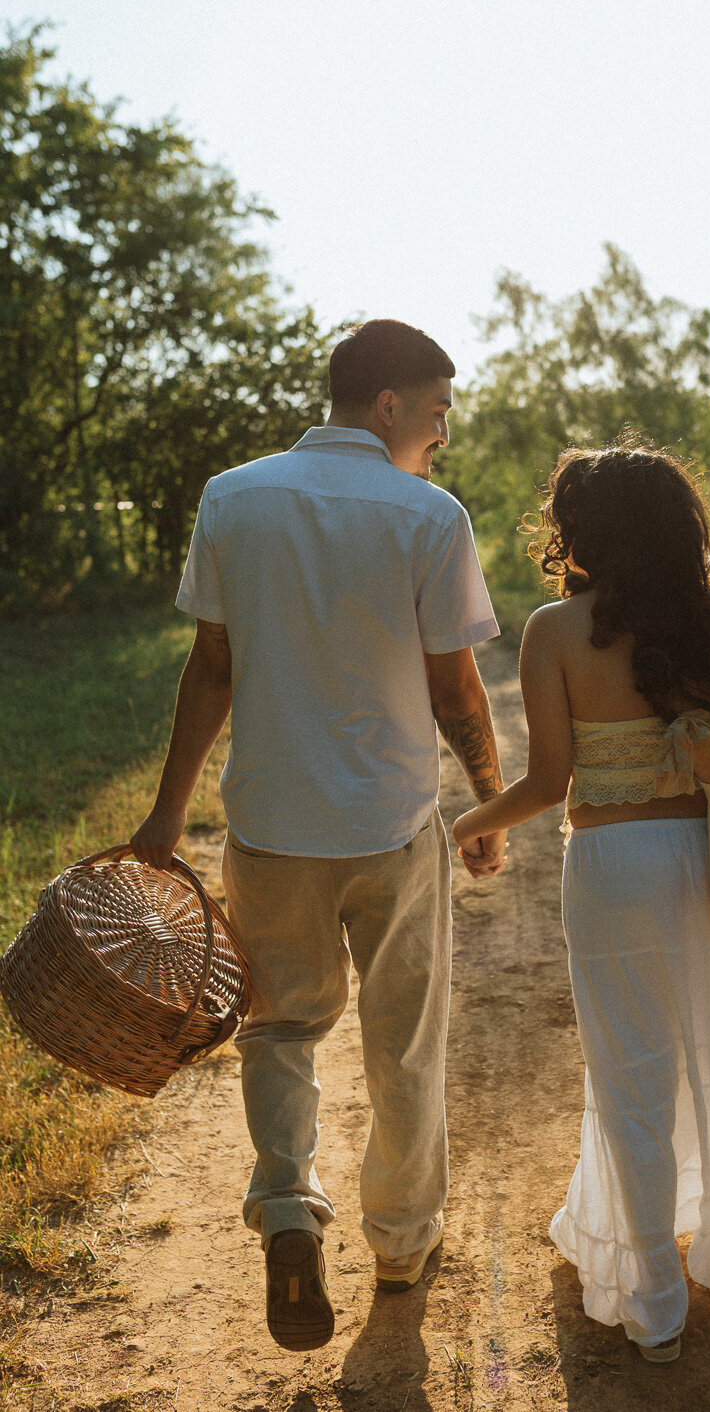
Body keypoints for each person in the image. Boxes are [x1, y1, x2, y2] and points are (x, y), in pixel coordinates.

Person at [131, 319, 507, 1353]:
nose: (440, 434)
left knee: (280, 1028)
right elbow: (452, 683)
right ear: (387, 406)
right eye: (435, 413)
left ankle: (289, 1207)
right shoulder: (429, 516)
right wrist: (484, 800)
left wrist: (169, 812)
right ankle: (398, 1243)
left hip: (272, 829)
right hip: (389, 828)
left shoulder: (233, 497)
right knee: (405, 1042)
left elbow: (213, 667)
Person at [452, 440, 710, 1363]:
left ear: (578, 533)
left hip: (611, 867)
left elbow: (550, 781)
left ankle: (656, 1304)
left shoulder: (555, 630)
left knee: (629, 1077)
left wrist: (472, 819)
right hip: (709, 859)